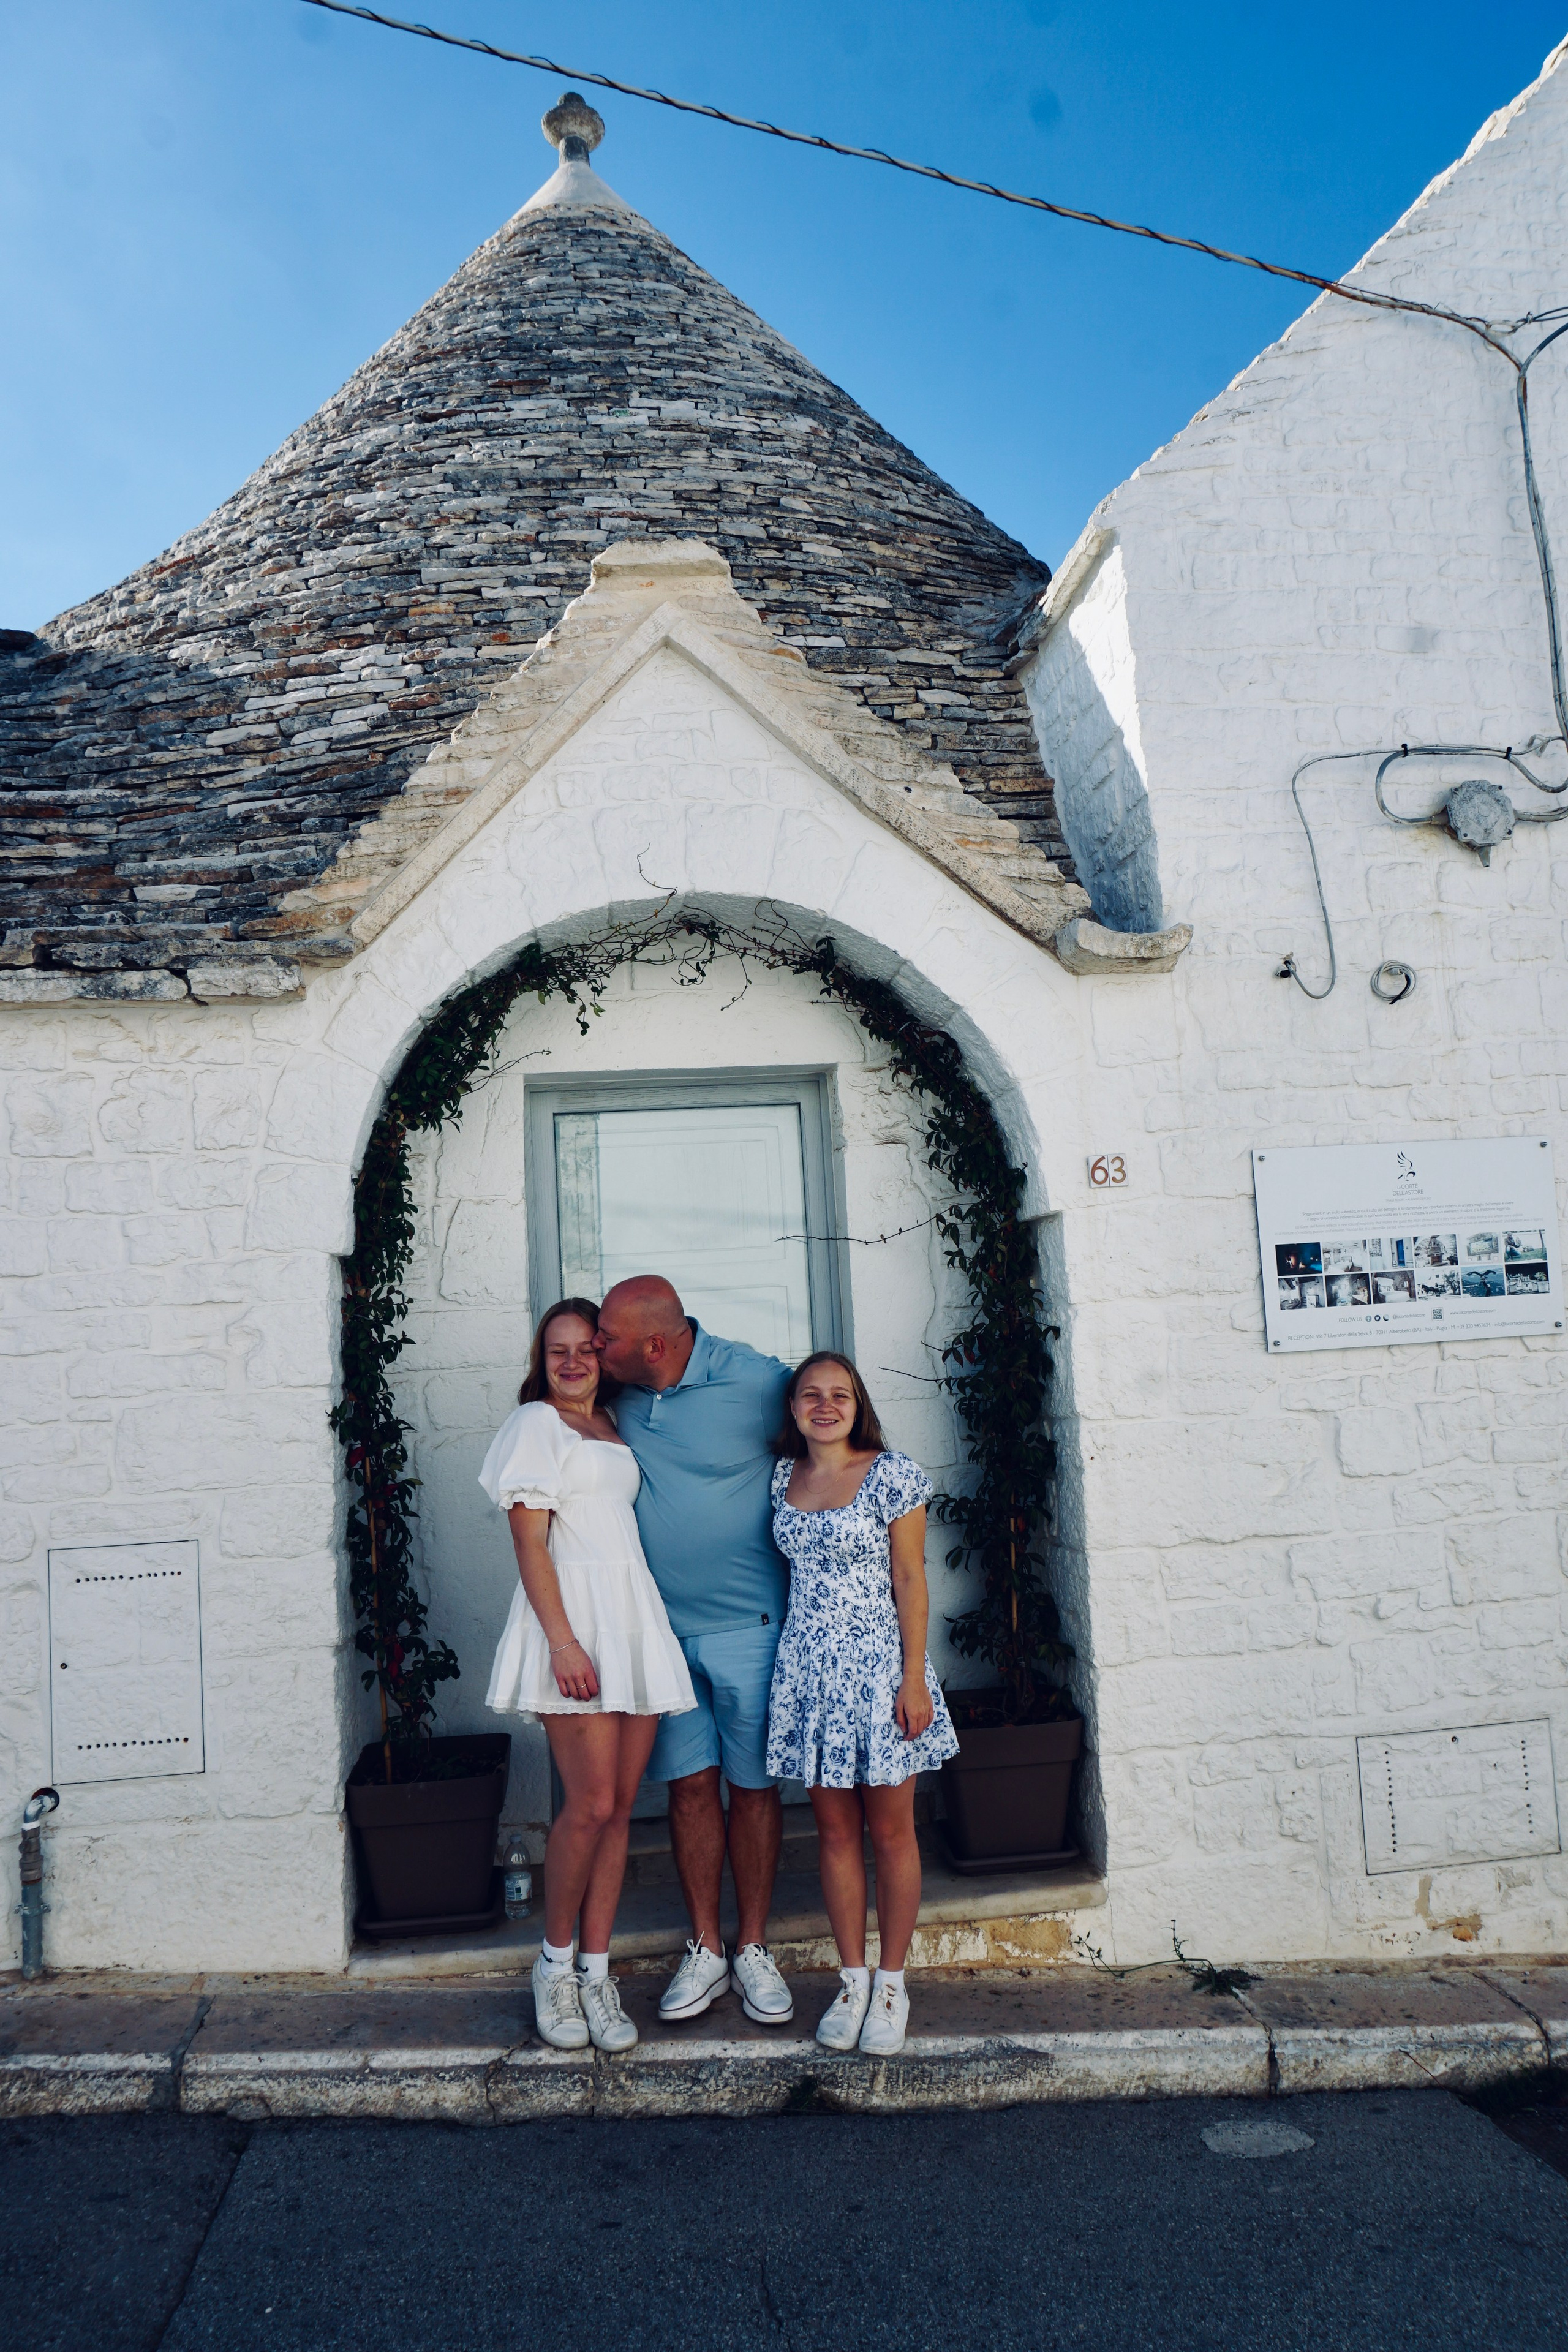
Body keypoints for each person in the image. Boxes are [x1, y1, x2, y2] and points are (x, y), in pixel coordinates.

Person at [479, 1298, 696, 2056]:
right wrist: (563, 1643)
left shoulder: (610, 1423)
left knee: (620, 1809)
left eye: (585, 1349)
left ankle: (597, 1974)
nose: (571, 1362)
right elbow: (530, 1545)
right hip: (574, 1623)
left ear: (604, 1356)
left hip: (631, 1615)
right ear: (540, 1362)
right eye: (556, 1350)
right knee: (591, 1804)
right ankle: (553, 1966)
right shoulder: (535, 1424)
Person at [592, 1276, 796, 2029]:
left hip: (753, 1624)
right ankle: (706, 1947)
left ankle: (754, 1947)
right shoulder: (614, 1395)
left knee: (753, 1789)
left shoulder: (758, 1383)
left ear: (653, 1345)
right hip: (660, 1633)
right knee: (687, 1789)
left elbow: (837, 1437)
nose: (594, 1347)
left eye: (606, 1337)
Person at [764, 1351, 957, 2057]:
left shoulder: (891, 1474)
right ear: (792, 1409)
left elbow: (910, 1577)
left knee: (891, 1832)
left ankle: (892, 1984)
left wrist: (913, 1678)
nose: (825, 1405)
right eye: (810, 1395)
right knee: (834, 1832)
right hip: (810, 1676)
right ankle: (852, 1982)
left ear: (858, 1405)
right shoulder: (781, 1478)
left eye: (839, 1394)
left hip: (880, 1672)